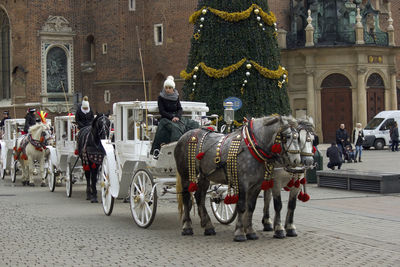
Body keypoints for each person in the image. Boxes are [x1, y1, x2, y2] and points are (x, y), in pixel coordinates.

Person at [150, 75, 199, 156]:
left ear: (173, 88)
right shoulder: (161, 97)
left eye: (169, 88)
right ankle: (176, 150)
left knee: (193, 124)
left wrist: (177, 117)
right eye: (166, 88)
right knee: (175, 128)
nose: (167, 90)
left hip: (176, 117)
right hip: (166, 118)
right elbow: (162, 111)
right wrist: (172, 117)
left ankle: (192, 146)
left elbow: (179, 108)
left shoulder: (176, 96)